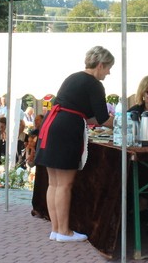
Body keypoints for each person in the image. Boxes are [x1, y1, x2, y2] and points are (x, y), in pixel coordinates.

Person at [35, 46, 114, 243]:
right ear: (100, 65)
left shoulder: (73, 78)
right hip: (67, 129)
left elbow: (86, 113)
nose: (108, 73)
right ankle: (64, 231)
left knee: (54, 183)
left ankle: (56, 229)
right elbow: (103, 119)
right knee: (65, 184)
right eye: (108, 68)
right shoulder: (94, 84)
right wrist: (124, 124)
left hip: (52, 125)